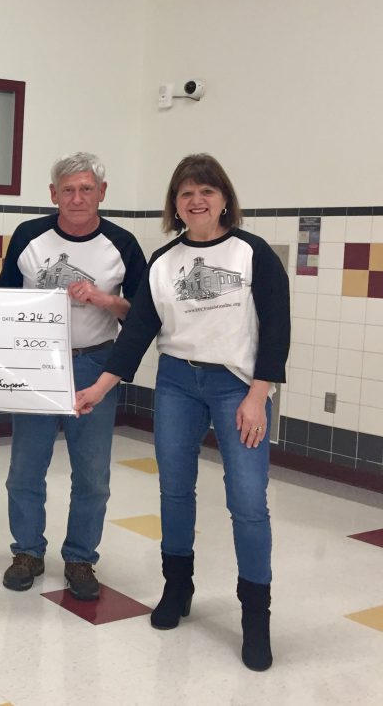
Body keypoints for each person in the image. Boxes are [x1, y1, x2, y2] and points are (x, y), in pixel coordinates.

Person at [75, 154, 289, 671]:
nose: (197, 201)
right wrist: (101, 387)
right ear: (175, 203)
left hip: (236, 385)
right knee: (174, 489)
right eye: (186, 193)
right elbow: (140, 332)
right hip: (176, 381)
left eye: (206, 192)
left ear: (223, 199)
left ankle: (255, 619)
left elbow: (277, 331)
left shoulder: (253, 254)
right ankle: (178, 589)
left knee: (248, 501)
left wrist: (259, 396)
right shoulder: (163, 261)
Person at [0, 152, 146, 600]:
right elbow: (3, 304)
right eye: (68, 190)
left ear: (102, 192)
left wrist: (105, 301)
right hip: (36, 363)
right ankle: (27, 552)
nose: (77, 198)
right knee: (25, 468)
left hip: (94, 364)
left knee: (92, 474)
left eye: (86, 189)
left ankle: (81, 558)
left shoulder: (123, 243)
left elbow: (141, 316)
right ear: (53, 194)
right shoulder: (28, 236)